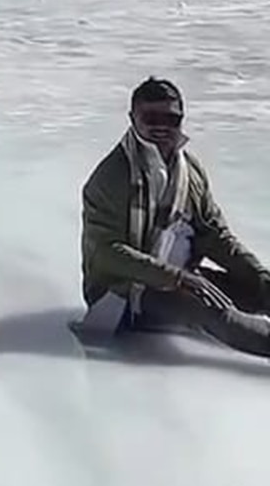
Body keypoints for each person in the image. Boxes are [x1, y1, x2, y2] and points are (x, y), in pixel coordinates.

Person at [79, 77, 270, 357]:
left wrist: (258, 276)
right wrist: (178, 279)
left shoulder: (190, 171)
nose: (161, 126)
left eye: (171, 118)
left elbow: (215, 235)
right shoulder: (110, 178)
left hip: (180, 274)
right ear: (133, 118)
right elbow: (107, 253)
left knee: (258, 289)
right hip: (126, 292)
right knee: (211, 310)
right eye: (151, 117)